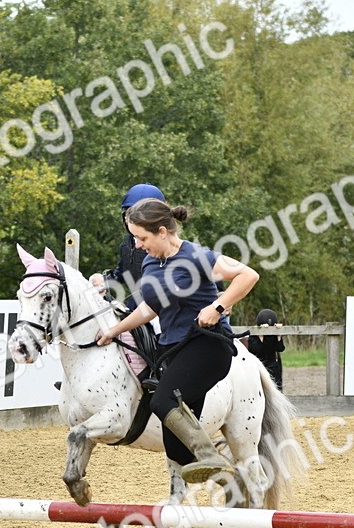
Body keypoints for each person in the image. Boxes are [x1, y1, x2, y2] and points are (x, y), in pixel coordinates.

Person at [96, 198, 259, 484]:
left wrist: (217, 307)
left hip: (207, 345)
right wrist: (114, 330)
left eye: (141, 237)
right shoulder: (150, 262)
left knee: (163, 399)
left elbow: (248, 275)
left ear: (162, 231)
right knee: (177, 452)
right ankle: (231, 480)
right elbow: (149, 309)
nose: (137, 245)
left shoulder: (196, 256)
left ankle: (209, 456)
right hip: (173, 350)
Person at [89, 183, 167, 307]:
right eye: (128, 214)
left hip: (161, 306)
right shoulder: (126, 244)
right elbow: (122, 273)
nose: (130, 219)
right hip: (135, 304)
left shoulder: (162, 245)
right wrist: (103, 283)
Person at [246, 309, 285, 390]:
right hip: (259, 364)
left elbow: (280, 348)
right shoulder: (254, 334)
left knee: (276, 387)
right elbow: (255, 350)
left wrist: (279, 335)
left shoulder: (273, 334)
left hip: (272, 365)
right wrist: (261, 336)